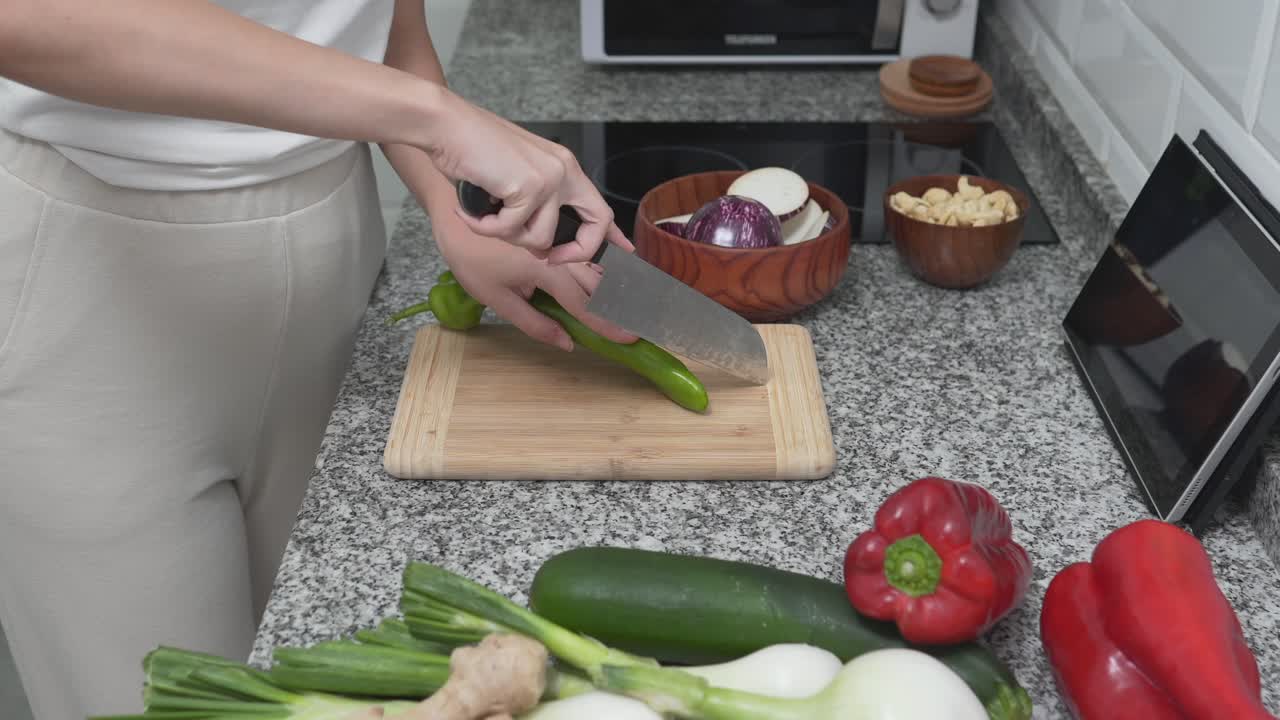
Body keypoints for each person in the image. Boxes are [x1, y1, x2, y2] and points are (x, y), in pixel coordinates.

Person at [0, 1, 636, 718]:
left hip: (334, 245)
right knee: (159, 699)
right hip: (97, 285)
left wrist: (447, 195)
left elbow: (372, 23)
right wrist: (436, 117)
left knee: (347, 680)